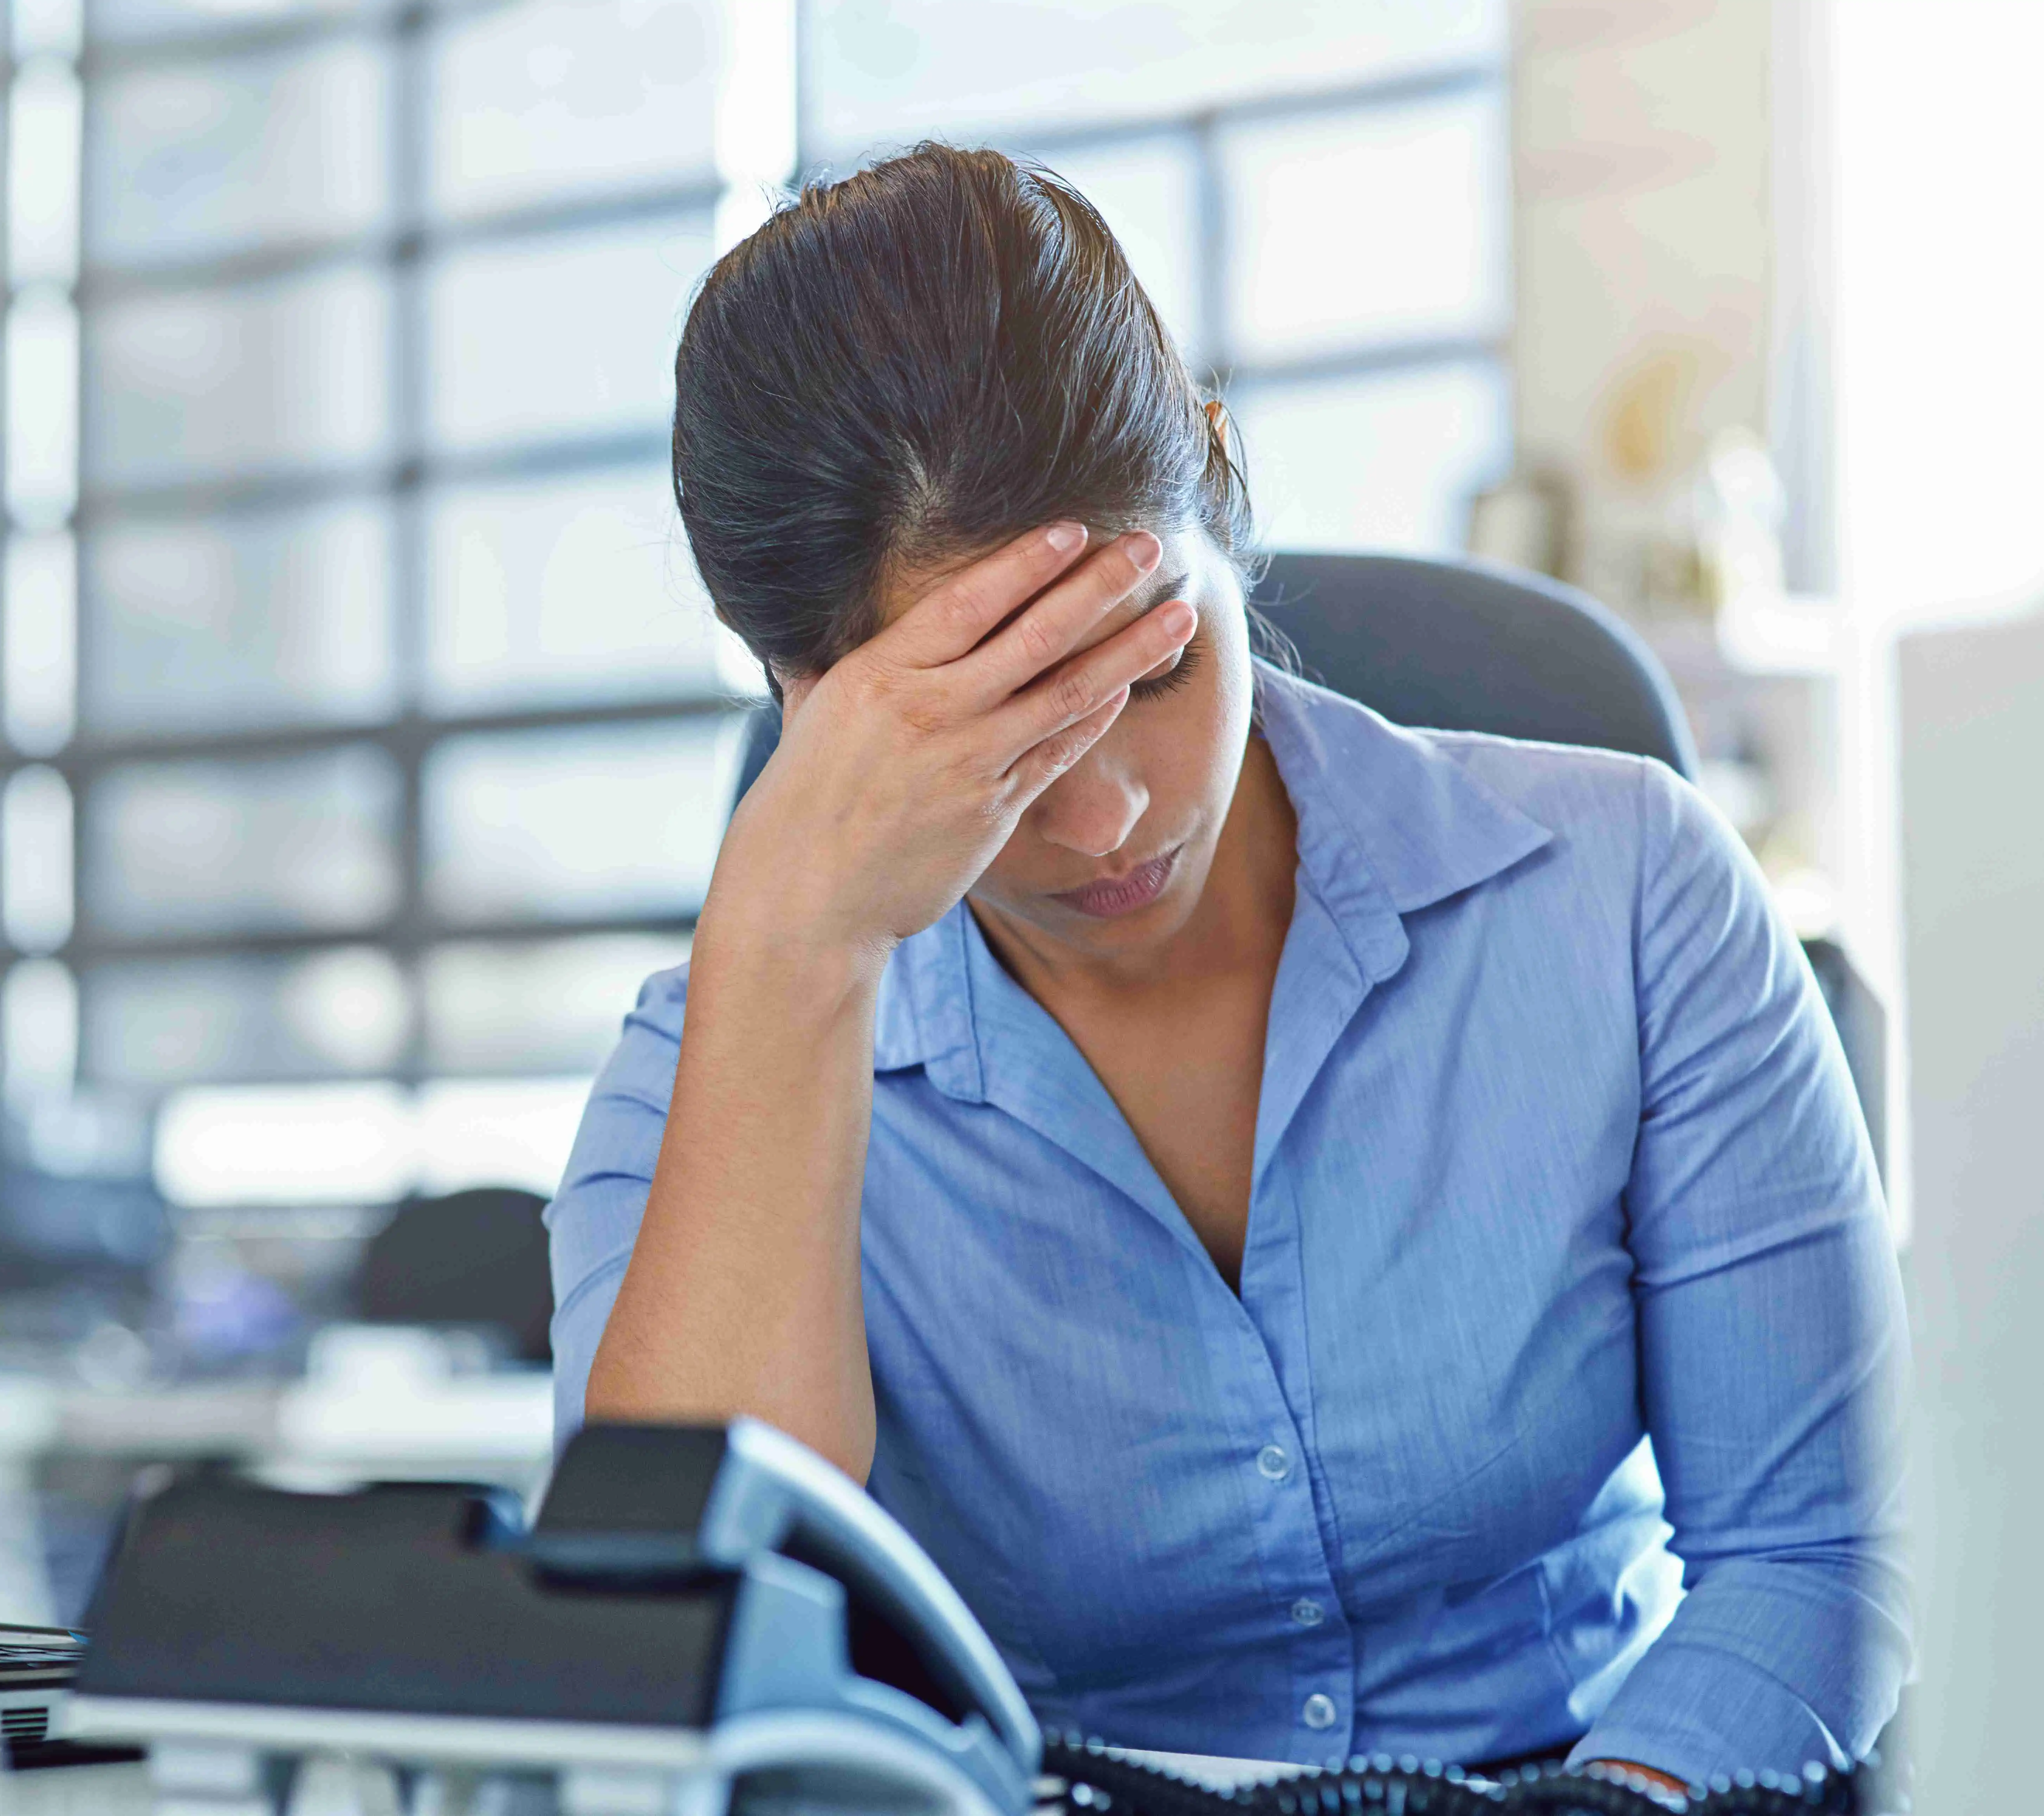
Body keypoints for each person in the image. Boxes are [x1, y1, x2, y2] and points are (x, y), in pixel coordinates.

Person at [543, 145, 1907, 1791]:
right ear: (805, 701)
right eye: (1004, 739)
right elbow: (702, 1658)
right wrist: (794, 948)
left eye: (1158, 668)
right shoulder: (714, 1057)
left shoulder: (1627, 892)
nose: (1110, 812)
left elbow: (1818, 1552)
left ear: (1218, 481)